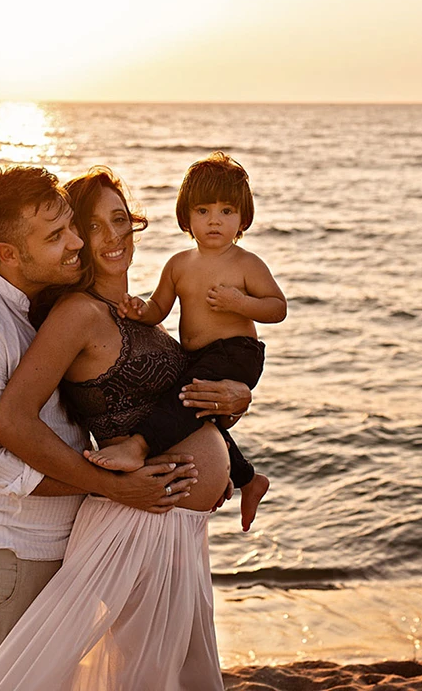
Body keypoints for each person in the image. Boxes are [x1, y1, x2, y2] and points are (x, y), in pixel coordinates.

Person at [0, 166, 245, 691]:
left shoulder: (63, 307)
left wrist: (232, 438)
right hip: (7, 556)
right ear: (8, 252)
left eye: (77, 226)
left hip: (77, 536)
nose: (78, 241)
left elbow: (143, 404)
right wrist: (116, 486)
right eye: (60, 235)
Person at [89, 151, 286, 532]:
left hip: (236, 353)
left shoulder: (246, 264)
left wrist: (240, 302)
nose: (215, 220)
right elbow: (159, 308)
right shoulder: (179, 264)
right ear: (186, 216)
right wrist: (137, 310)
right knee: (197, 416)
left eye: (227, 211)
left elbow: (277, 307)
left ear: (243, 218)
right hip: (195, 355)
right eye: (203, 210)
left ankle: (139, 446)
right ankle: (248, 479)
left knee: (183, 398)